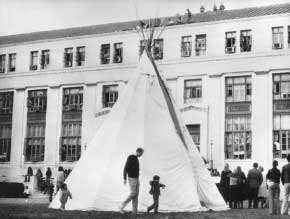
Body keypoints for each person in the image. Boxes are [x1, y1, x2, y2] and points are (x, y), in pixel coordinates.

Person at [120, 147, 144, 214]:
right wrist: (124, 178)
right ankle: (122, 205)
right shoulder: (131, 157)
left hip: (137, 179)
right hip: (132, 178)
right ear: (138, 152)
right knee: (133, 194)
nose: (141, 155)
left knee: (136, 196)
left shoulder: (136, 159)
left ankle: (134, 212)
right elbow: (125, 168)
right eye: (141, 154)